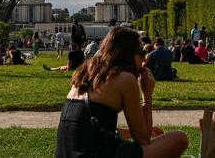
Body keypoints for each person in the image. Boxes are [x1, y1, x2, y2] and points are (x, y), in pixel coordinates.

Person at [53, 27, 189, 158]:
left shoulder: (85, 73)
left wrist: (130, 133)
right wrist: (147, 95)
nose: (145, 58)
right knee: (179, 139)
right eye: (141, 52)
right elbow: (143, 139)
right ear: (128, 54)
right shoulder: (126, 79)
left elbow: (91, 130)